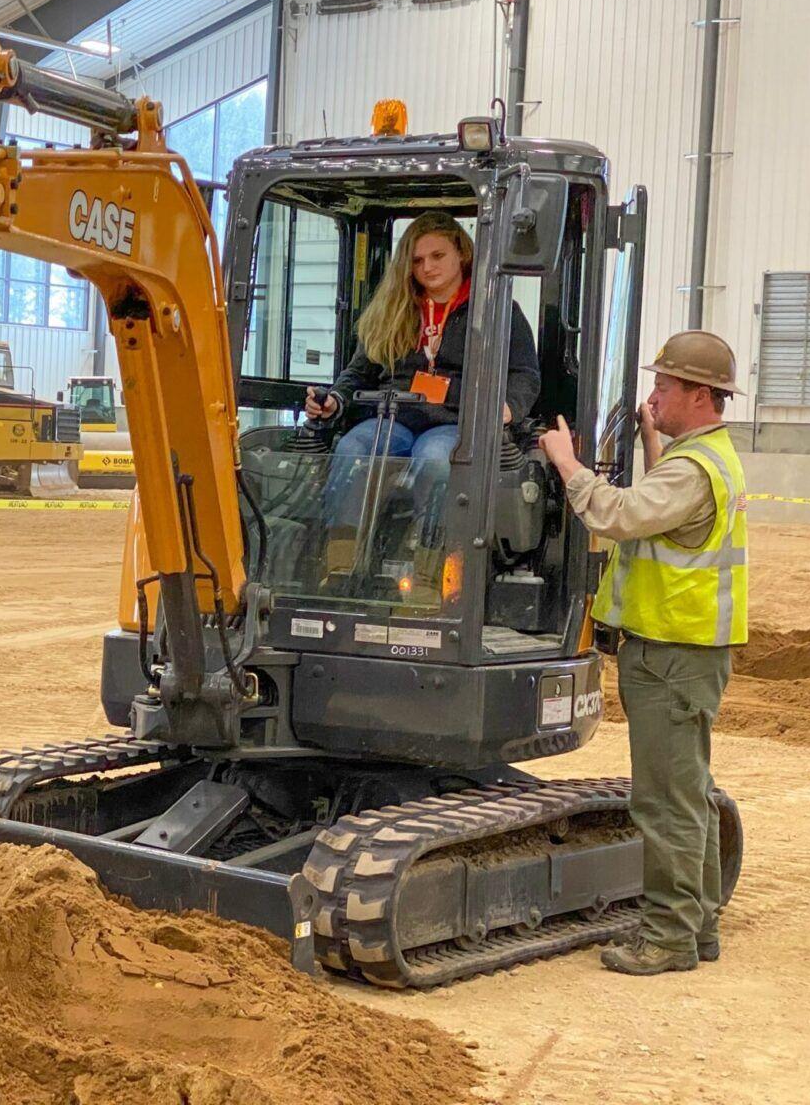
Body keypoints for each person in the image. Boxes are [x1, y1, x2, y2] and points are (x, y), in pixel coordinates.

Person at [539, 330, 747, 977]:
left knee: (665, 801)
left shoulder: (693, 470)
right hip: (687, 655)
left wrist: (566, 462)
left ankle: (668, 937)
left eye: (664, 385)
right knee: (690, 791)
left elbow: (622, 515)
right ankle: (698, 926)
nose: (654, 394)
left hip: (671, 655)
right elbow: (666, 508)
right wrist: (651, 438)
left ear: (700, 394)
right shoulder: (708, 458)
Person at [306, 211, 541, 458]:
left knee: (434, 456)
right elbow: (359, 373)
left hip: (456, 421)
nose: (427, 267)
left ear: (462, 253)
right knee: (352, 449)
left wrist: (509, 406)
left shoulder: (498, 311)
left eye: (437, 256)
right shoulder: (389, 311)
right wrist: (335, 399)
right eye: (417, 261)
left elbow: (524, 373)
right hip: (391, 417)